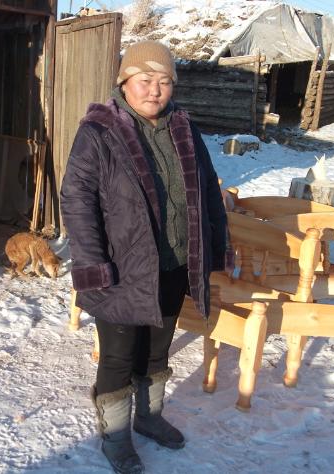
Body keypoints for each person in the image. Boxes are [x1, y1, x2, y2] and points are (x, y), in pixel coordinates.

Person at [60, 41, 228, 474]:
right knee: (118, 357)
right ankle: (116, 436)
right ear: (124, 83)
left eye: (164, 81)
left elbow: (208, 190)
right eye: (145, 79)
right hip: (119, 269)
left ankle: (149, 417)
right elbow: (77, 200)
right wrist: (94, 265)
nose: (154, 90)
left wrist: (213, 247)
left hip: (172, 264)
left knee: (157, 350)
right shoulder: (99, 132)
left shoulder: (185, 130)